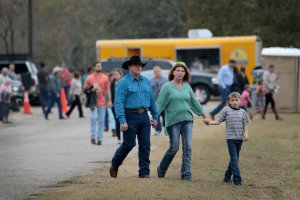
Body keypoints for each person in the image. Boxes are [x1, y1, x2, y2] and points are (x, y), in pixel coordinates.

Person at [155, 62, 206, 180]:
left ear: (185, 73)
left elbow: (194, 102)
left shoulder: (187, 86)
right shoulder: (166, 87)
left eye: (182, 71)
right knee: (174, 148)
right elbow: (160, 103)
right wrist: (154, 117)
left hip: (187, 119)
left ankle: (186, 174)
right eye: (178, 70)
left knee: (187, 147)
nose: (180, 73)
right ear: (173, 72)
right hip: (173, 121)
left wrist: (204, 115)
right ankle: (161, 169)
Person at [110, 56, 158, 178]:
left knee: (145, 145)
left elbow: (152, 100)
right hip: (129, 116)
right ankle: (115, 163)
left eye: (140, 65)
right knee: (129, 144)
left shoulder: (146, 81)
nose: (139, 67)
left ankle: (144, 172)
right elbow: (118, 102)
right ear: (130, 67)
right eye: (136, 65)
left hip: (144, 116)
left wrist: (155, 116)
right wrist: (122, 120)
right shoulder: (123, 82)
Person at [204, 92, 249, 186]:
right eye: (232, 100)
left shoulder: (243, 112)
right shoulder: (226, 111)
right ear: (229, 102)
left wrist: (246, 134)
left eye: (236, 100)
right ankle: (237, 180)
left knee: (234, 159)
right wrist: (210, 122)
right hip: (230, 139)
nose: (234, 102)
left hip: (239, 139)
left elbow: (245, 124)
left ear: (240, 101)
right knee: (234, 159)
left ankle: (227, 177)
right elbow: (218, 121)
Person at [83, 62, 112, 145]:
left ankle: (99, 139)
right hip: (93, 101)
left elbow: (108, 90)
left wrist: (109, 100)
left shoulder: (105, 78)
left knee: (101, 121)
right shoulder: (89, 78)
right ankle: (92, 137)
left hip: (102, 101)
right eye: (98, 66)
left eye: (100, 66)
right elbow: (84, 89)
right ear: (94, 67)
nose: (99, 67)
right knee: (93, 118)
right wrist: (92, 89)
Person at [150, 66, 167, 135]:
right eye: (155, 72)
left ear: (160, 71)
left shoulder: (165, 80)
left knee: (165, 116)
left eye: (158, 71)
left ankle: (166, 128)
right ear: (154, 72)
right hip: (155, 102)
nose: (157, 73)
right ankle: (158, 130)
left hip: (164, 102)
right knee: (156, 116)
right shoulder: (151, 81)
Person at [110, 68, 123, 144]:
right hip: (114, 105)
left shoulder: (123, 83)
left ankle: (125, 137)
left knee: (123, 121)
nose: (115, 76)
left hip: (123, 105)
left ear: (120, 75)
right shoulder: (112, 83)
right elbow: (110, 94)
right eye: (114, 74)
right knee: (117, 121)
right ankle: (119, 138)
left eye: (117, 74)